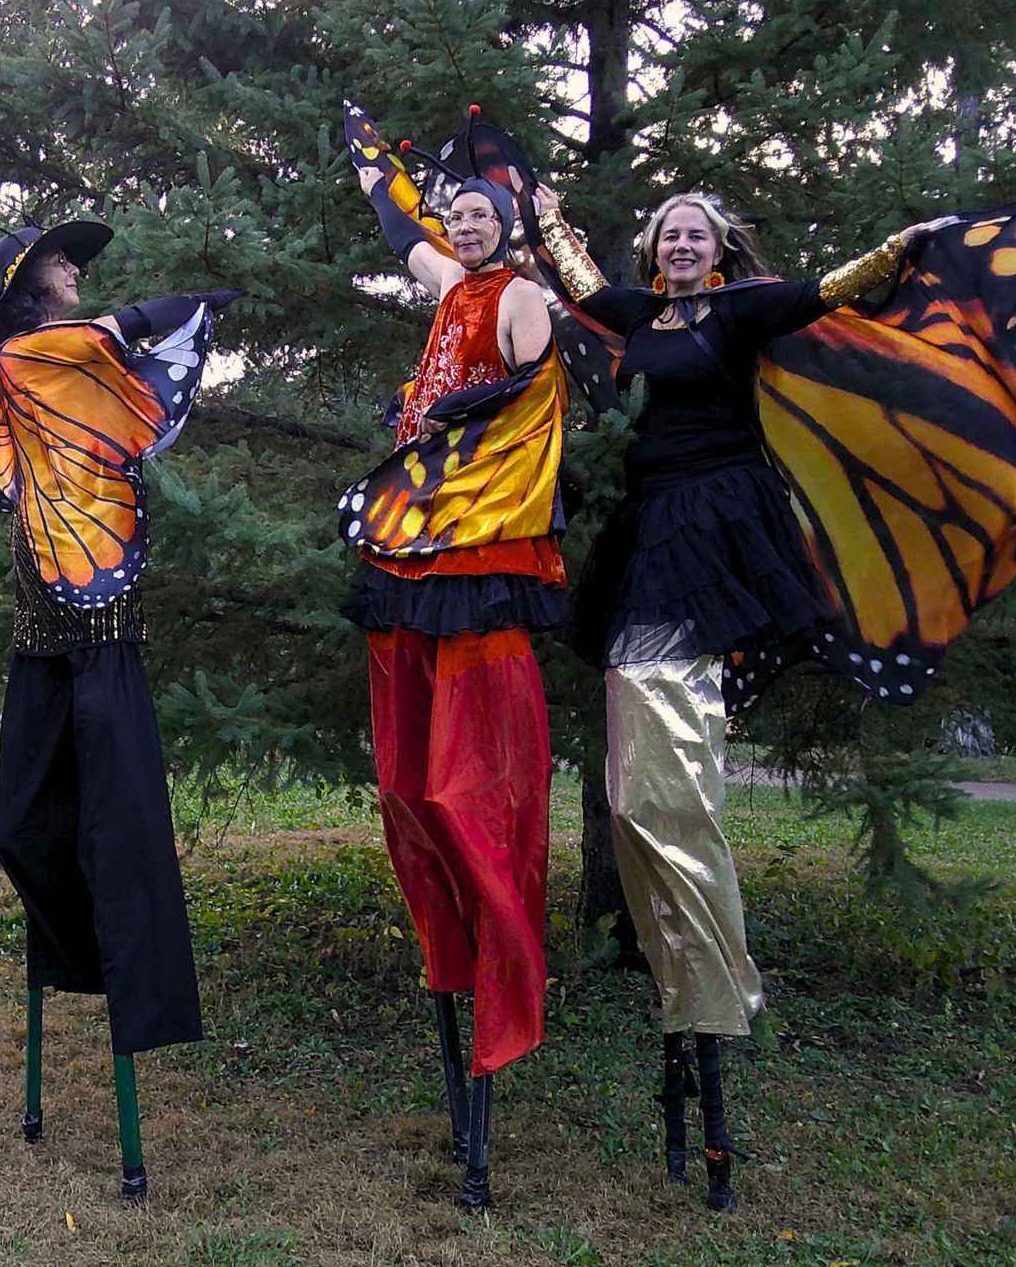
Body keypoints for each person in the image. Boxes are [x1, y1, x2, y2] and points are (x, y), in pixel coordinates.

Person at [532, 185, 934, 1211]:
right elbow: (580, 287)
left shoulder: (740, 309)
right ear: (654, 248)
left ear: (716, 250)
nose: (676, 243)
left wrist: (897, 242)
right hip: (649, 529)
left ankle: (708, 1012)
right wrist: (549, 222)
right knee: (633, 792)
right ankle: (684, 1004)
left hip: (714, 529)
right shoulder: (639, 315)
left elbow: (829, 292)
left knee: (672, 774)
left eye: (692, 232)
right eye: (664, 230)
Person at [0, 220, 239, 1202]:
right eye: (64, 262)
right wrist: (199, 302)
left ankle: (132, 979)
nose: (78, 271)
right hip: (39, 633)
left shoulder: (53, 364)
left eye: (76, 263)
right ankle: (89, 955)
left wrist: (198, 310)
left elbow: (125, 374)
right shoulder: (29, 357)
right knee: (22, 830)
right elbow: (122, 334)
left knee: (120, 834)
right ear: (31, 284)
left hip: (105, 628)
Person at [343, 131, 570, 1211]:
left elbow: (530, 395)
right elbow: (405, 239)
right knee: (406, 781)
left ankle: (496, 1013)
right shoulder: (449, 283)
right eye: (457, 215)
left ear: (508, 223)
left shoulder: (517, 296)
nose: (465, 226)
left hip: (478, 547)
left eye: (480, 214)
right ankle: (449, 994)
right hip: (414, 543)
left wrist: (454, 416)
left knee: (462, 784)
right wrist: (372, 168)